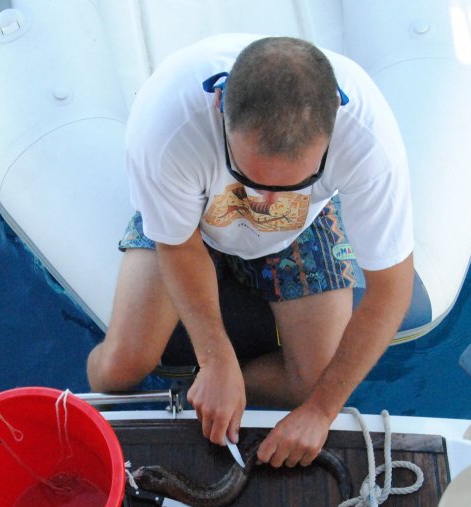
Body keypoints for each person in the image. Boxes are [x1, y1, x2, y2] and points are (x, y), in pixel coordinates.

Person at [86, 34, 414, 468]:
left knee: (315, 382)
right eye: (249, 176)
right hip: (194, 221)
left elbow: (391, 289)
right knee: (118, 371)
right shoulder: (167, 123)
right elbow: (178, 243)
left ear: (335, 120)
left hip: (305, 225)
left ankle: (194, 394)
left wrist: (320, 412)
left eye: (293, 181)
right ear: (219, 104)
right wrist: (214, 357)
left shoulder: (371, 142)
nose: (264, 204)